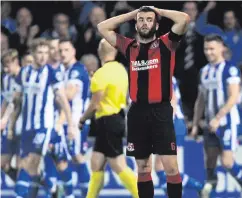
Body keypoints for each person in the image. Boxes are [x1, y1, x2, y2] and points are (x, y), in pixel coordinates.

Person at [97, 6, 190, 198]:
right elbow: (102, 27)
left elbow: (184, 19)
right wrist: (132, 14)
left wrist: (158, 11)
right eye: (141, 20)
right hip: (137, 112)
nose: (144, 23)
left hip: (161, 111)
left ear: (156, 25)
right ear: (136, 24)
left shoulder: (166, 44)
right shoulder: (129, 47)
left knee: (171, 168)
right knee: (143, 167)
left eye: (149, 20)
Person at [10, 38, 74, 198]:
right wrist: (11, 125)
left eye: (46, 53)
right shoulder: (23, 73)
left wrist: (70, 123)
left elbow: (62, 100)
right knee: (30, 165)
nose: (43, 56)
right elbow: (17, 103)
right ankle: (53, 189)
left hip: (44, 127)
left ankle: (22, 195)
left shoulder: (51, 73)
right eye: (40, 52)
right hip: (26, 128)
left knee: (29, 162)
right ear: (32, 53)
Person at [79, 39, 139, 198]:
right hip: (118, 118)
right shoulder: (121, 70)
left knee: (118, 165)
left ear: (100, 52)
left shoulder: (101, 74)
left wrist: (82, 120)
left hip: (107, 120)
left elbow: (95, 105)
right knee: (96, 162)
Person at [191, 34, 242, 197]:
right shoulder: (204, 71)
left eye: (212, 48)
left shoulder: (230, 69)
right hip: (210, 125)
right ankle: (208, 195)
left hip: (227, 122)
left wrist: (218, 118)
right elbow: (200, 100)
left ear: (222, 48)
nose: (208, 52)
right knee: (210, 164)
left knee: (227, 162)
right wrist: (195, 123)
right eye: (206, 49)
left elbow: (233, 97)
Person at [154, 76, 204, 196]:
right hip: (170, 125)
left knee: (164, 169)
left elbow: (172, 102)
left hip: (171, 124)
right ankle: (199, 188)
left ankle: (201, 187)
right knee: (163, 170)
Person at [56, 38, 91, 197]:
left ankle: (87, 194)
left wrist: (54, 94)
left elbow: (69, 95)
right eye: (60, 51)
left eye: (66, 50)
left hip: (76, 122)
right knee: (63, 158)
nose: (63, 54)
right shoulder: (64, 70)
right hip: (66, 121)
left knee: (76, 156)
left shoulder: (77, 69)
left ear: (74, 51)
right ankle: (69, 194)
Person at [1, 49, 22, 182]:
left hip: (23, 126)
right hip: (10, 128)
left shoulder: (24, 77)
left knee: (22, 166)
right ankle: (43, 183)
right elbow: (6, 100)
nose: (5, 69)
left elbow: (16, 103)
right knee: (3, 163)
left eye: (8, 65)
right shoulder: (6, 79)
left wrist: (5, 120)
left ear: (16, 62)